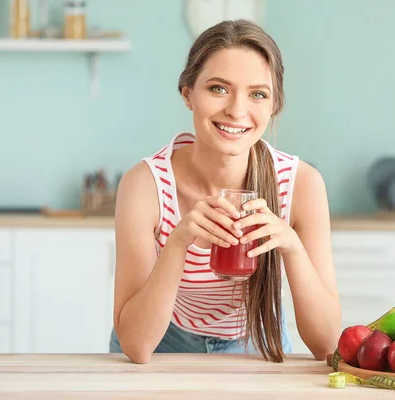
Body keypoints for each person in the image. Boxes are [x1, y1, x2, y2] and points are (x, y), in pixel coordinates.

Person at [109, 19, 341, 364]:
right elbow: (138, 347)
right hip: (163, 344)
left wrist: (291, 246)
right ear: (188, 93)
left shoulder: (301, 184)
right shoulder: (146, 185)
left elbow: (327, 345)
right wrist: (177, 243)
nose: (236, 110)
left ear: (273, 105)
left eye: (257, 94)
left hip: (257, 346)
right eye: (218, 88)